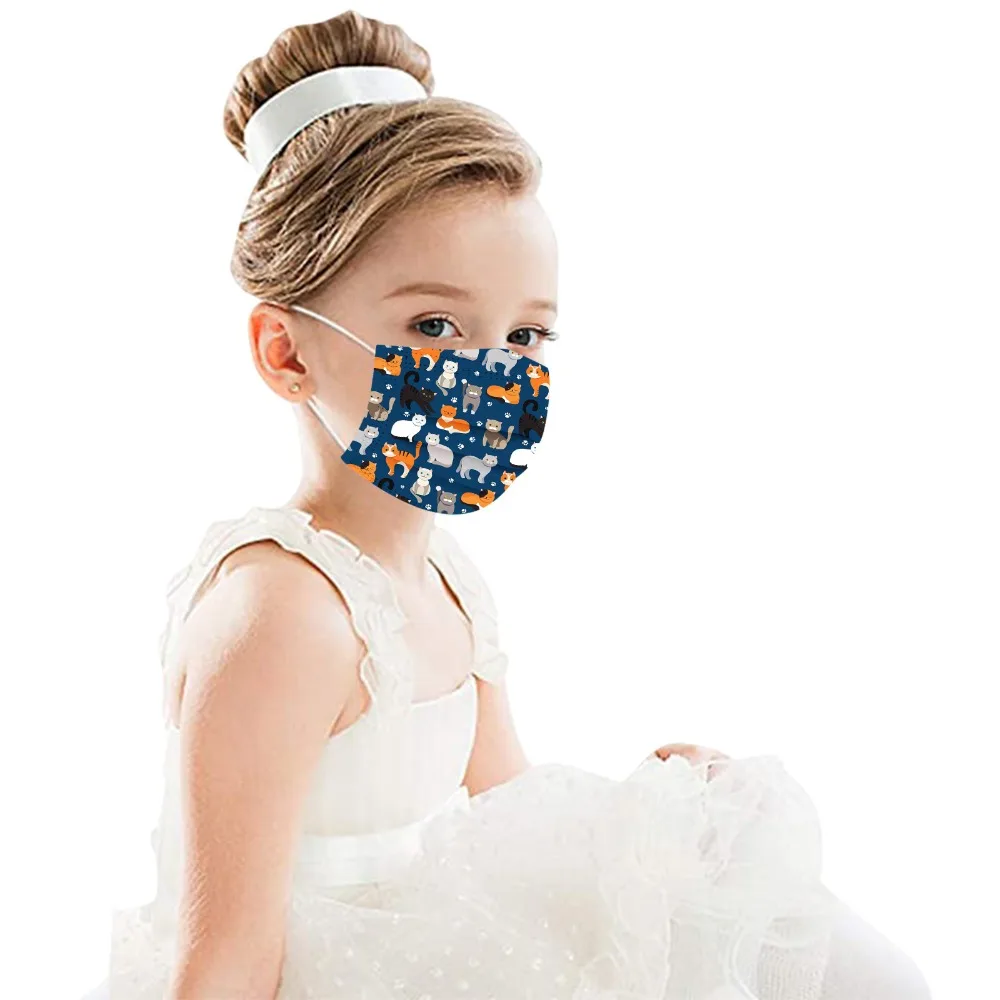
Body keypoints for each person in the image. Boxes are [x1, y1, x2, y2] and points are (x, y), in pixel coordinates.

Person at [88, 11, 933, 1000]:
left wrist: (657, 820)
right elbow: (224, 964)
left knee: (787, 916)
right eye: (436, 325)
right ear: (287, 351)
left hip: (430, 961)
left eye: (527, 337)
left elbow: (509, 820)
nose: (491, 375)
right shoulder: (284, 615)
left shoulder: (444, 581)